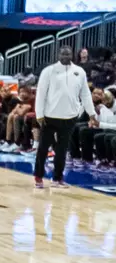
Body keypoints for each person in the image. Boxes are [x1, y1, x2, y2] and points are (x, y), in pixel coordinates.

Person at [34, 45, 96, 189]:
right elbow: (41, 93)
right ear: (58, 55)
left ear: (72, 55)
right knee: (43, 147)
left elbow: (85, 94)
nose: (65, 57)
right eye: (63, 54)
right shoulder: (48, 71)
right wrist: (39, 114)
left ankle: (57, 178)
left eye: (68, 54)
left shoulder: (79, 72)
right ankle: (38, 176)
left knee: (62, 150)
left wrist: (92, 113)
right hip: (49, 116)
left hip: (70, 117)